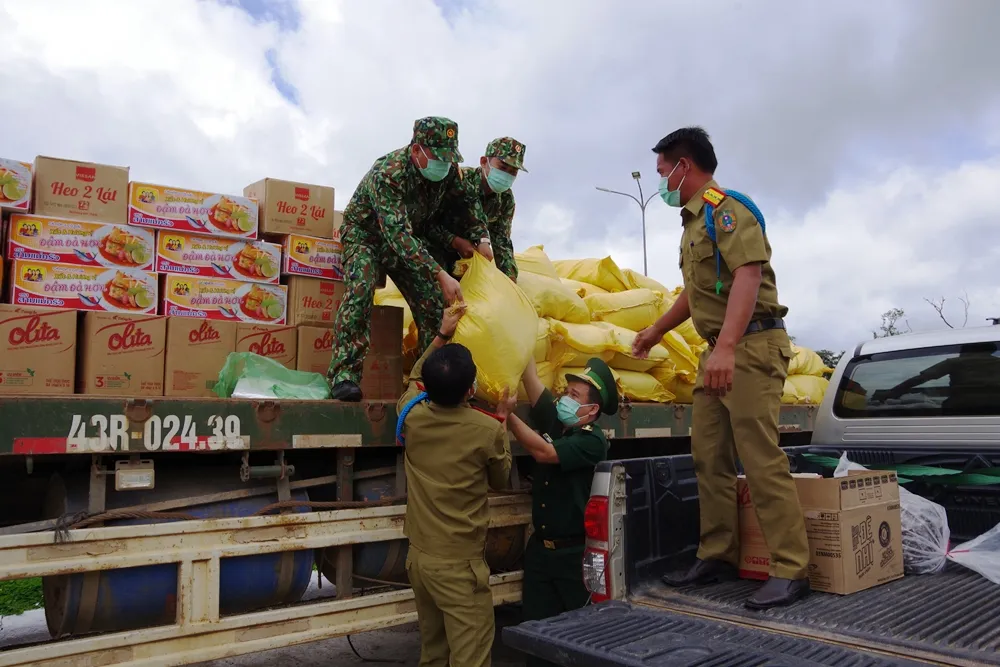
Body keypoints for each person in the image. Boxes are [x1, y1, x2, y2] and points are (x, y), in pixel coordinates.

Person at [632, 127, 810, 610]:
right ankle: (717, 555)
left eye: (663, 171)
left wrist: (728, 347)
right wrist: (654, 331)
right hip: (720, 348)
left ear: (684, 165)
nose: (662, 181)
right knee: (707, 455)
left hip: (750, 344)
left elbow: (748, 276)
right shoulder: (692, 224)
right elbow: (696, 294)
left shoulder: (726, 209)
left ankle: (791, 569)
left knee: (758, 456)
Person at [328, 116, 491, 402]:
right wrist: (440, 273)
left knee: (432, 304)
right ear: (417, 150)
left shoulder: (448, 171)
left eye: (449, 158)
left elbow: (468, 201)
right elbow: (397, 234)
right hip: (367, 235)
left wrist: (482, 239)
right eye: (438, 157)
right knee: (361, 289)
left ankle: (434, 383)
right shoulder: (389, 172)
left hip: (408, 239)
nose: (445, 164)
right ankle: (344, 375)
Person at [397, 302, 511, 667]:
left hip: (419, 558)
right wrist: (504, 420)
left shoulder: (410, 416)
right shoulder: (487, 430)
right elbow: (501, 480)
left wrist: (443, 333)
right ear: (471, 389)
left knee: (432, 652)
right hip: (459, 566)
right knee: (471, 656)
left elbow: (412, 378)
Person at [497, 357, 617, 667]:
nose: (565, 398)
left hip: (573, 557)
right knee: (536, 637)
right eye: (566, 391)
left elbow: (543, 452)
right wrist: (522, 347)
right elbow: (533, 381)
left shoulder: (592, 441)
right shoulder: (559, 423)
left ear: (591, 410)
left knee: (577, 639)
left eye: (574, 396)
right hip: (540, 553)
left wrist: (508, 416)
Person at [426, 137, 527, 281]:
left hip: (469, 259)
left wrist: (509, 279)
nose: (506, 175)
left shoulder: (505, 199)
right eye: (503, 167)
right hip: (434, 247)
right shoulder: (458, 180)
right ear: (484, 161)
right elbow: (427, 222)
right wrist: (454, 241)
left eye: (513, 171)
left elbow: (501, 241)